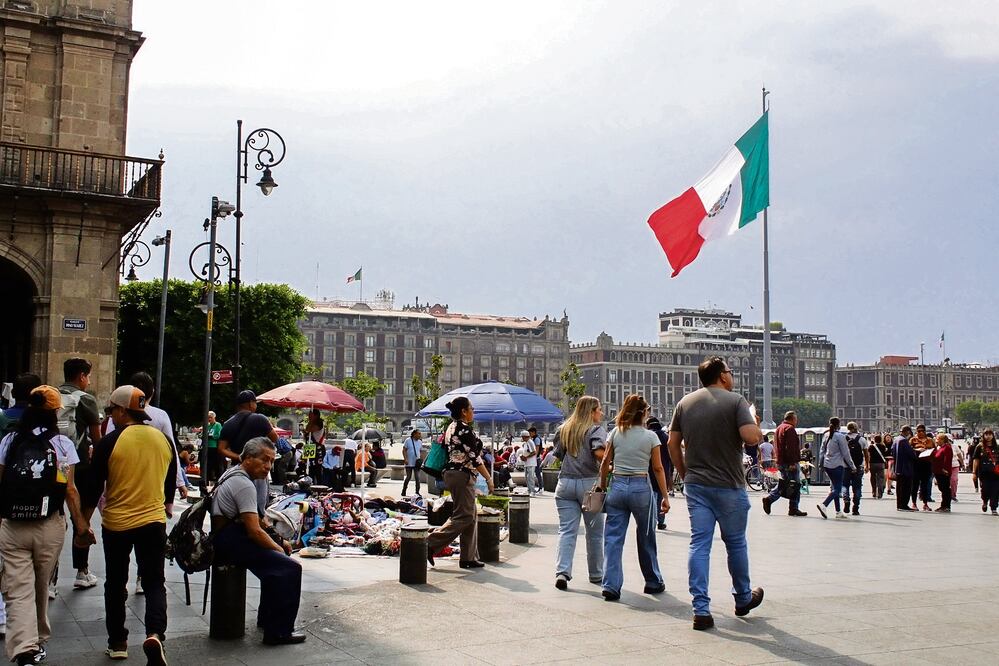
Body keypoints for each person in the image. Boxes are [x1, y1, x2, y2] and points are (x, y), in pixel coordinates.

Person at [0, 385, 95, 666]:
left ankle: (25, 648)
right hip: (48, 524)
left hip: (13, 525)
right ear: (55, 413)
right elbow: (70, 490)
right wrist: (81, 526)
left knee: (18, 589)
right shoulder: (62, 444)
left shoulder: (9, 441)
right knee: (41, 584)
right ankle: (37, 640)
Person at [667, 357, 764, 630]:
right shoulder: (736, 401)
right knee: (735, 543)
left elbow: (673, 444)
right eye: (730, 372)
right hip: (729, 485)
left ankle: (700, 609)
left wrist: (685, 473)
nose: (732, 376)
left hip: (697, 485)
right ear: (722, 376)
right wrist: (754, 423)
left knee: (699, 544)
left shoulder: (685, 403)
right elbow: (750, 437)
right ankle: (743, 598)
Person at [91, 385, 176, 665]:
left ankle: (118, 642)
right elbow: (168, 484)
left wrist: (81, 523)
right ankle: (155, 634)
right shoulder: (163, 440)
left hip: (117, 523)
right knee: (154, 582)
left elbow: (94, 487)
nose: (110, 415)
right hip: (153, 521)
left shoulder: (109, 442)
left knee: (116, 583)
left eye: (111, 410)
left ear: (121, 411)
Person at [211, 437, 306, 645]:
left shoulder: (233, 473)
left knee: (278, 564)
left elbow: (258, 522)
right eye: (264, 460)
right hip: (231, 541)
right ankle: (279, 632)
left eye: (271, 461)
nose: (268, 466)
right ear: (247, 458)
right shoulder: (243, 484)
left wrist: (278, 540)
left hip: (227, 536)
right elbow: (254, 531)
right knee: (290, 568)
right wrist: (277, 549)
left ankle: (267, 619)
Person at [597, 395, 667, 602]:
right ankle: (652, 581)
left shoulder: (615, 433)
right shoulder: (650, 437)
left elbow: (605, 463)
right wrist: (665, 495)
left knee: (613, 537)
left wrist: (602, 486)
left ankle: (611, 585)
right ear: (643, 413)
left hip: (617, 486)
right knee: (646, 535)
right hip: (641, 486)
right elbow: (658, 468)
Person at [426, 397, 494, 569]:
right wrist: (489, 478)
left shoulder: (451, 427)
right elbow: (475, 458)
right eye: (471, 408)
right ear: (464, 411)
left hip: (454, 473)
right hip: (461, 474)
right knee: (464, 516)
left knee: (471, 515)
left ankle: (468, 557)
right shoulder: (463, 429)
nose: (473, 411)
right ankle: (430, 543)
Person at [57, 358, 103, 594]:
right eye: (88, 376)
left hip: (55, 465)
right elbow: (97, 438)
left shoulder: (53, 396)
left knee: (55, 518)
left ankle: (51, 579)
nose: (89, 381)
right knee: (81, 517)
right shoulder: (86, 399)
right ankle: (82, 571)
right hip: (80, 466)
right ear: (82, 376)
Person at [552, 396, 606, 590]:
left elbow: (558, 454)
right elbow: (599, 453)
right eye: (599, 409)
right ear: (591, 412)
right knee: (594, 533)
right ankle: (596, 574)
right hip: (589, 485)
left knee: (567, 531)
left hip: (565, 484)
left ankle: (562, 572)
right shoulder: (595, 430)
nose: (601, 413)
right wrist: (610, 460)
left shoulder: (564, 429)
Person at [763, 411, 807, 517]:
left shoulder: (779, 428)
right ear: (792, 419)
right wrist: (792, 462)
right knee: (795, 485)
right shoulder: (790, 429)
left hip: (782, 462)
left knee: (786, 484)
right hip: (790, 462)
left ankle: (792, 507)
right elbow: (790, 447)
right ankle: (775, 501)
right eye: (796, 419)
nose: (796, 421)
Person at [218, 391, 277, 466]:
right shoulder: (260, 419)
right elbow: (275, 438)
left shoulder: (227, 423)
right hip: (257, 465)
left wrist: (239, 457)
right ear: (251, 403)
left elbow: (221, 449)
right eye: (255, 403)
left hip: (237, 466)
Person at [816, 417, 856, 520]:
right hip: (837, 465)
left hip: (827, 464)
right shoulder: (840, 436)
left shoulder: (826, 435)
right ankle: (824, 504)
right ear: (839, 425)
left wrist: (820, 463)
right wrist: (852, 466)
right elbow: (846, 453)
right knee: (838, 489)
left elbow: (822, 451)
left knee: (834, 488)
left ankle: (838, 511)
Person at [645, 416, 672, 529]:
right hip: (663, 470)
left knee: (651, 497)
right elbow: (671, 456)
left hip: (648, 470)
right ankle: (661, 521)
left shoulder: (647, 437)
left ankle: (652, 520)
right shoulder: (666, 437)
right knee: (660, 496)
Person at [841, 422, 869, 516]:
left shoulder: (843, 438)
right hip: (858, 467)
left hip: (845, 466)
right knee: (857, 487)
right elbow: (866, 454)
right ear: (857, 428)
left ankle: (846, 500)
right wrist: (867, 465)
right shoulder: (862, 439)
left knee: (845, 485)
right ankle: (856, 507)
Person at [971, 429, 999, 515]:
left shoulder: (997, 447)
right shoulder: (979, 447)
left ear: (993, 436)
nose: (988, 436)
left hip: (996, 473)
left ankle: (994, 508)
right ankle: (985, 501)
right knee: (985, 490)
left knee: (996, 490)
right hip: (984, 473)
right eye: (986, 434)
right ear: (983, 436)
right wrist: (974, 472)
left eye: (990, 434)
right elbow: (976, 460)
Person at [909, 424, 935, 511]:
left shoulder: (930, 440)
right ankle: (914, 503)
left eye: (922, 431)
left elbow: (935, 450)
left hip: (926, 464)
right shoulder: (913, 440)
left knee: (925, 485)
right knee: (915, 485)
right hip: (916, 464)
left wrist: (928, 451)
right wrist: (917, 450)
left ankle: (925, 503)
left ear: (925, 431)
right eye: (918, 431)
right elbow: (908, 450)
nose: (920, 433)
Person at [892, 426, 917, 512]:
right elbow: (911, 454)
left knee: (899, 487)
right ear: (907, 432)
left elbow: (892, 451)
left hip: (898, 467)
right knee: (906, 487)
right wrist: (915, 452)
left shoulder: (896, 439)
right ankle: (904, 505)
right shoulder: (904, 441)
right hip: (905, 467)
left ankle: (899, 504)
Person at [931, 433, 953, 512]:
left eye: (937, 439)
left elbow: (947, 459)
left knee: (945, 489)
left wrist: (945, 469)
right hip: (938, 471)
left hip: (943, 472)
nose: (936, 441)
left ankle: (946, 506)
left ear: (942, 440)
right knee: (942, 488)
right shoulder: (939, 448)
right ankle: (943, 505)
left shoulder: (947, 448)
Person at [203, 411, 223, 485]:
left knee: (215, 464)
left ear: (214, 417)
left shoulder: (217, 425)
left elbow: (219, 435)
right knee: (207, 465)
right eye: (208, 417)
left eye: (210, 417)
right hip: (207, 447)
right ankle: (207, 480)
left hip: (214, 447)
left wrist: (212, 436)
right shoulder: (207, 425)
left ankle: (217, 479)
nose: (209, 419)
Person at [401, 430, 423, 496]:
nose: (420, 435)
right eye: (419, 434)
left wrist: (421, 460)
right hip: (409, 462)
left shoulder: (420, 442)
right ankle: (404, 490)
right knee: (408, 477)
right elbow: (404, 450)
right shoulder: (408, 440)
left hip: (416, 462)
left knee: (417, 478)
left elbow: (420, 451)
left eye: (420, 434)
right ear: (414, 434)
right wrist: (405, 459)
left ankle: (417, 492)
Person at [518, 430, 540, 496]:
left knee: (530, 478)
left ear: (525, 437)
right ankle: (529, 490)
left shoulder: (530, 442)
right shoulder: (526, 443)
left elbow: (534, 452)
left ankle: (532, 491)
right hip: (527, 463)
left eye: (522, 437)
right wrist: (523, 456)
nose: (522, 438)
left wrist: (526, 457)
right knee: (527, 478)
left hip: (531, 463)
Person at [868, 434, 888, 499]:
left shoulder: (871, 446)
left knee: (873, 477)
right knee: (881, 478)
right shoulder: (883, 446)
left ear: (874, 440)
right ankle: (880, 492)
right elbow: (885, 453)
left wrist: (867, 464)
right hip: (881, 464)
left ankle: (874, 491)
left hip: (872, 463)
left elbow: (868, 455)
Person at [528, 426, 544, 491]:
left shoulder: (536, 439)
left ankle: (541, 487)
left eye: (530, 433)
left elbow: (537, 450)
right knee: (536, 473)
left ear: (533, 432)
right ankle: (540, 487)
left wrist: (534, 458)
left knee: (537, 473)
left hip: (536, 459)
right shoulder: (534, 438)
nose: (529, 435)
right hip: (536, 458)